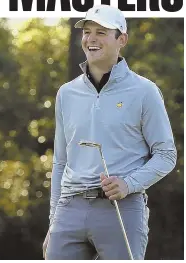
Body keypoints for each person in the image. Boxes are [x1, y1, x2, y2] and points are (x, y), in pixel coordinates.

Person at [43, 5, 177, 260]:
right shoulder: (66, 94)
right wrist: (53, 221)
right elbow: (60, 161)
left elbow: (166, 154)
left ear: (122, 39)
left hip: (121, 209)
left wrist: (129, 184)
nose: (91, 39)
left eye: (101, 32)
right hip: (69, 209)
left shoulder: (144, 91)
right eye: (87, 31)